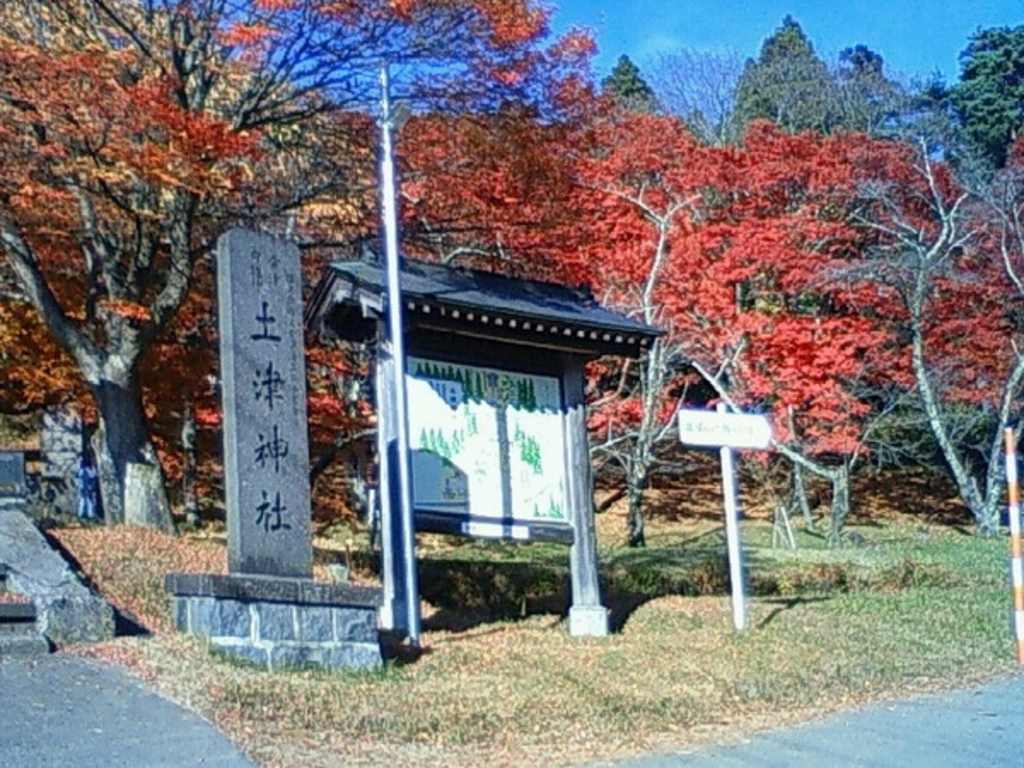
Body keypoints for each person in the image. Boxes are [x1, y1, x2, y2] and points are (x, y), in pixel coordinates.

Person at [76, 455, 99, 520]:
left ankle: (82, 514)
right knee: (89, 501)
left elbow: (77, 478)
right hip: (87, 487)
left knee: (83, 500)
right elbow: (93, 475)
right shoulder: (85, 469)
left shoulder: (79, 469)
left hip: (83, 487)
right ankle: (89, 515)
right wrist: (94, 468)